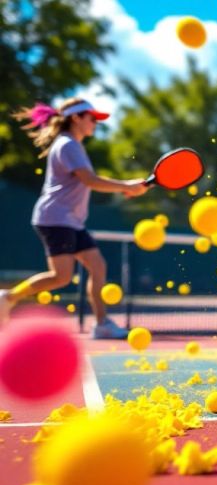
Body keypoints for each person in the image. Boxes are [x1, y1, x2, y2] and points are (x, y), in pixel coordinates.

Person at [0, 99, 148, 337]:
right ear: (76, 118)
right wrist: (125, 185)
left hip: (70, 221)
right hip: (55, 218)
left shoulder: (73, 145)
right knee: (61, 277)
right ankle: (8, 297)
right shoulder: (68, 145)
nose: (95, 123)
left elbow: (86, 182)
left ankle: (101, 324)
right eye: (92, 118)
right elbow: (89, 180)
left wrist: (124, 188)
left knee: (98, 266)